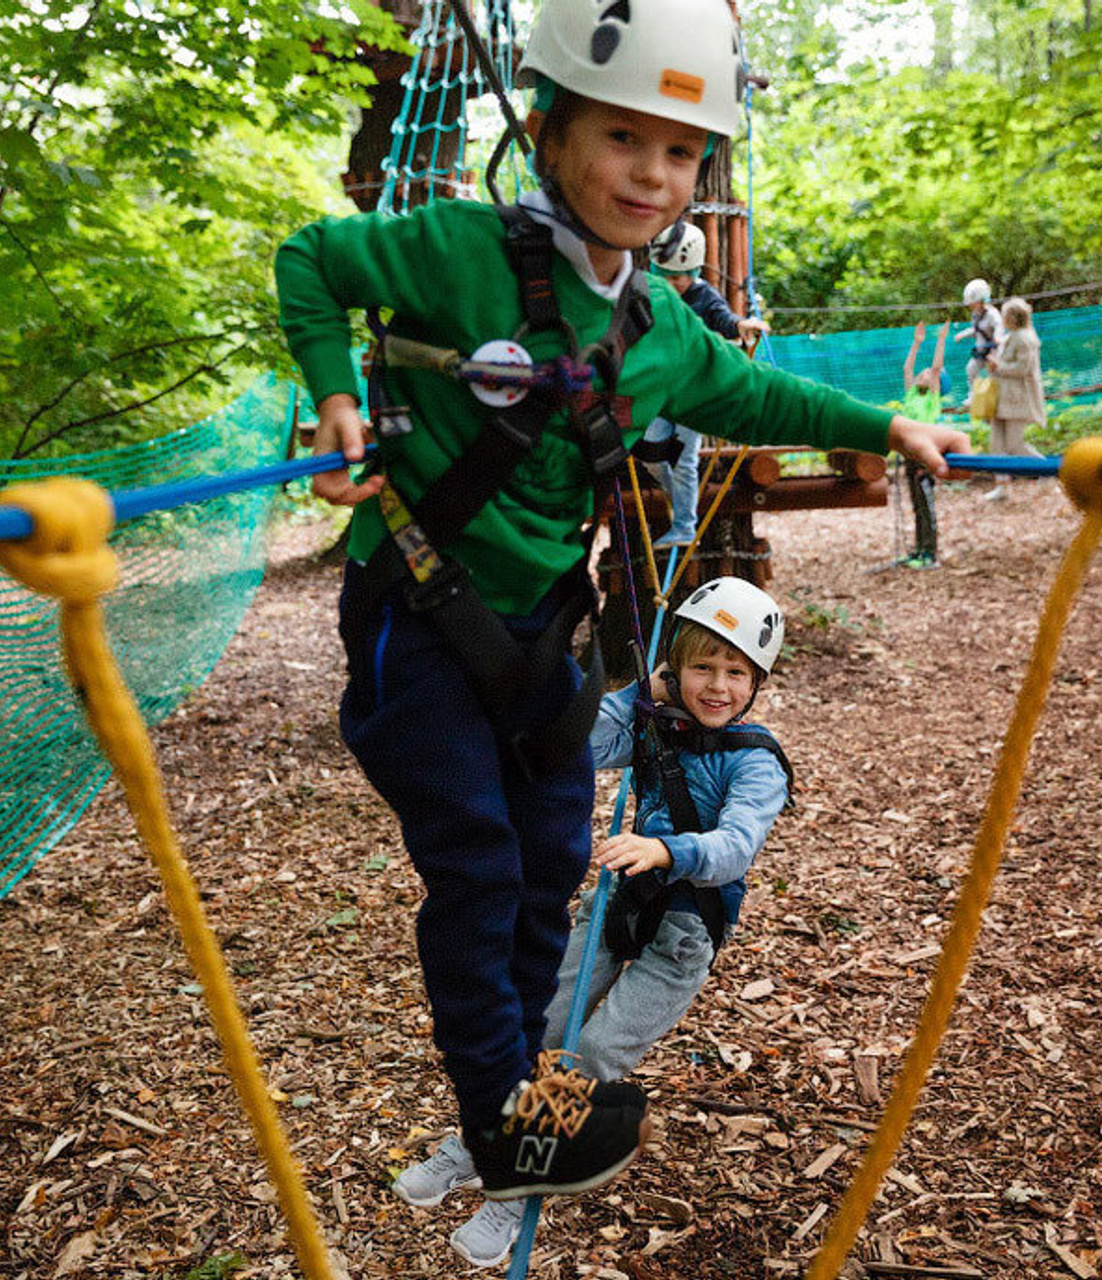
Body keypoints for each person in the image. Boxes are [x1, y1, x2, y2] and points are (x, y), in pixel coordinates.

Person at [275, 0, 970, 1213]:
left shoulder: (656, 324)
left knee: (551, 858)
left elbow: (763, 397)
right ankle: (496, 1115)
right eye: (620, 140)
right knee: (480, 865)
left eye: (679, 153)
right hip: (418, 615)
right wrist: (337, 396)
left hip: (540, 623)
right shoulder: (455, 249)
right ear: (547, 134)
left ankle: (529, 1080)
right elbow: (311, 261)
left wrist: (884, 426)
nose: (652, 175)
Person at [395, 578, 792, 1267]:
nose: (718, 686)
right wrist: (645, 697)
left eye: (735, 672)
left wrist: (665, 848)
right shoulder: (652, 720)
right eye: (701, 667)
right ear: (674, 667)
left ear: (757, 681)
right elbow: (584, 739)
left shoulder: (756, 762)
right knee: (537, 1020)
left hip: (681, 937)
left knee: (593, 1055)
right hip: (618, 907)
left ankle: (511, 1200)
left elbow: (734, 848)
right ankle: (476, 1141)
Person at [642, 220, 770, 546]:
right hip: (658, 390)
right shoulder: (649, 293)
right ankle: (681, 500)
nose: (673, 283)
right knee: (649, 453)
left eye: (679, 277)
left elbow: (725, 320)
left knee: (684, 460)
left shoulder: (703, 296)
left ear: (694, 270)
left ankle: (685, 526)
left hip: (694, 392)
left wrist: (742, 324)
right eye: (666, 276)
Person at [896, 319, 952, 568]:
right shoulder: (911, 394)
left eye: (927, 374)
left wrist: (940, 339)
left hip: (926, 455)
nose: (923, 373)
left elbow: (937, 367)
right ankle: (919, 550)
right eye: (923, 372)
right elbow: (907, 369)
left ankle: (931, 553)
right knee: (917, 505)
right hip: (909, 454)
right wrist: (916, 344)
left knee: (927, 506)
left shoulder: (931, 399)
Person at [981, 297, 1046, 502]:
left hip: (1017, 399)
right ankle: (1002, 486)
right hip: (1003, 398)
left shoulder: (1024, 338)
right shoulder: (1013, 336)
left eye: (1005, 314)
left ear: (1012, 316)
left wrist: (998, 366)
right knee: (996, 443)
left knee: (1015, 445)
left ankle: (1048, 471)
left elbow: (1023, 369)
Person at [954, 278, 1005, 405]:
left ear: (981, 300)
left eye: (973, 302)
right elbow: (976, 330)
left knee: (995, 375)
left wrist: (998, 337)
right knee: (971, 369)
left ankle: (1000, 398)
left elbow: (999, 326)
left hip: (993, 351)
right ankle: (973, 397)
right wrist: (962, 335)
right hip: (981, 351)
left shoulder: (993, 314)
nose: (970, 306)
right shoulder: (976, 315)